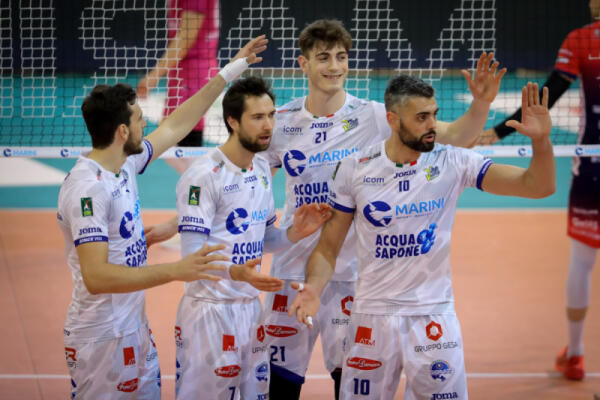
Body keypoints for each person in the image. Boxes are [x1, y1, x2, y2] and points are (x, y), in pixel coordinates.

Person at [259, 19, 506, 399]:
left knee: (350, 381)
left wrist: (482, 103)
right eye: (323, 57)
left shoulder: (373, 115)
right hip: (292, 270)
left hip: (350, 274)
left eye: (341, 57)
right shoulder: (282, 123)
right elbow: (250, 180)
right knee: (278, 383)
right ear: (303, 63)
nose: (334, 66)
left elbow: (458, 136)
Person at [288, 76, 555, 399]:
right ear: (392, 120)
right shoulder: (355, 168)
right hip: (372, 316)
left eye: (434, 114)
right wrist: (314, 288)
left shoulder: (454, 161)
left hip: (433, 316)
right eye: (421, 117)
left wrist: (542, 142)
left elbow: (538, 186)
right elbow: (328, 248)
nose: (432, 125)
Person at [56, 36, 267, 399]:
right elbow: (96, 277)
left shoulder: (124, 163)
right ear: (123, 132)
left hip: (133, 326)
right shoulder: (87, 190)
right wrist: (176, 270)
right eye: (141, 119)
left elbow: (175, 125)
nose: (147, 124)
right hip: (101, 335)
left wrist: (232, 70)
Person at [173, 76, 332, 399]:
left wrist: (295, 232)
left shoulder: (260, 169)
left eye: (271, 115)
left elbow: (266, 238)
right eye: (258, 117)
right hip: (211, 311)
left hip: (249, 309)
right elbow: (190, 260)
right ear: (232, 121)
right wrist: (236, 272)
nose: (269, 125)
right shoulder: (202, 176)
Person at [478, 0, 600, 381]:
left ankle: (576, 354)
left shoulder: (582, 40)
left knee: (582, 261)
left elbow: (550, 93)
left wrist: (497, 132)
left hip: (593, 167)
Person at [137, 0, 220, 174]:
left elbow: (186, 38)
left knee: (181, 144)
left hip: (195, 71)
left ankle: (202, 185)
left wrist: (154, 76)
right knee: (170, 145)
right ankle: (197, 183)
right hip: (182, 70)